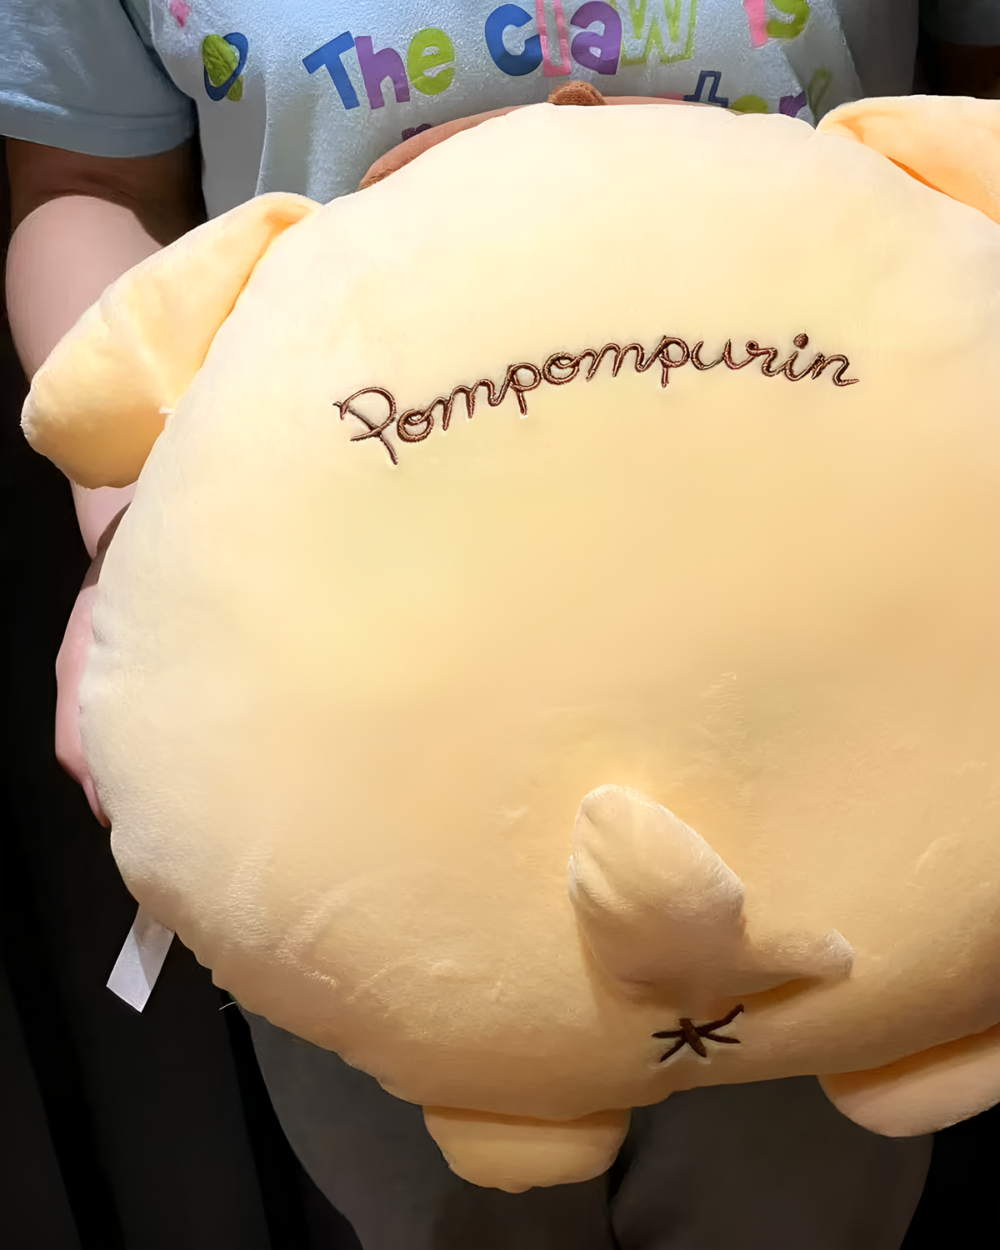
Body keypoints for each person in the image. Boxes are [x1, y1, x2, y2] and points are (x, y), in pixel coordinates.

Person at [2, 3, 998, 1247]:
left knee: (802, 1188)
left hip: (845, 677)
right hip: (356, 702)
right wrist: (131, 529)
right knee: (445, 1202)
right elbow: (88, 176)